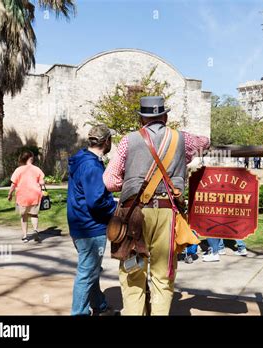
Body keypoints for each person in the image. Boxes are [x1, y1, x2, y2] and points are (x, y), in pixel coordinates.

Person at [103, 96, 210, 315]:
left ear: (142, 119)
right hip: (167, 213)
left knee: (133, 273)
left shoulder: (127, 140)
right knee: (163, 276)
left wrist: (133, 182)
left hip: (133, 214)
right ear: (165, 116)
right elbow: (205, 142)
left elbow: (109, 181)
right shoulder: (182, 139)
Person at [67, 124, 117, 316]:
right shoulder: (91, 165)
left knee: (91, 268)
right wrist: (114, 207)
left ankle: (99, 304)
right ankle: (78, 312)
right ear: (106, 142)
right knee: (87, 272)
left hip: (79, 224)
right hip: (90, 227)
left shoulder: (82, 159)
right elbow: (96, 201)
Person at [7, 150, 45, 243]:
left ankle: (25, 236)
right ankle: (35, 230)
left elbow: (13, 184)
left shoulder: (18, 170)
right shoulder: (37, 169)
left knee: (24, 216)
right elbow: (42, 183)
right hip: (35, 195)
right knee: (34, 214)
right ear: (31, 158)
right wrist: (44, 191)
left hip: (22, 196)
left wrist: (10, 194)